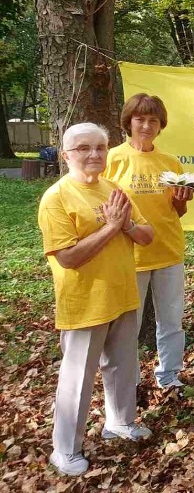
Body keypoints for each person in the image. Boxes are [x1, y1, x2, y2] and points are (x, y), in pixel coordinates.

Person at [38, 123, 154, 476]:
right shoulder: (56, 198)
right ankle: (65, 450)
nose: (93, 155)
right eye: (83, 148)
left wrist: (127, 225)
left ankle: (120, 423)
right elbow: (68, 257)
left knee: (122, 366)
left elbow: (146, 235)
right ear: (66, 154)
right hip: (85, 301)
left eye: (100, 148)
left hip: (122, 294)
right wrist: (111, 228)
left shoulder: (114, 189)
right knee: (78, 377)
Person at [104, 93, 194, 391]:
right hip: (128, 255)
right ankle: (127, 383)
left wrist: (182, 200)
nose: (146, 125)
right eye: (140, 119)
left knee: (171, 320)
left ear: (161, 125)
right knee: (128, 325)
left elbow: (177, 211)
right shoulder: (111, 159)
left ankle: (169, 376)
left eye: (153, 120)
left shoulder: (170, 163)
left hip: (168, 251)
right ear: (128, 122)